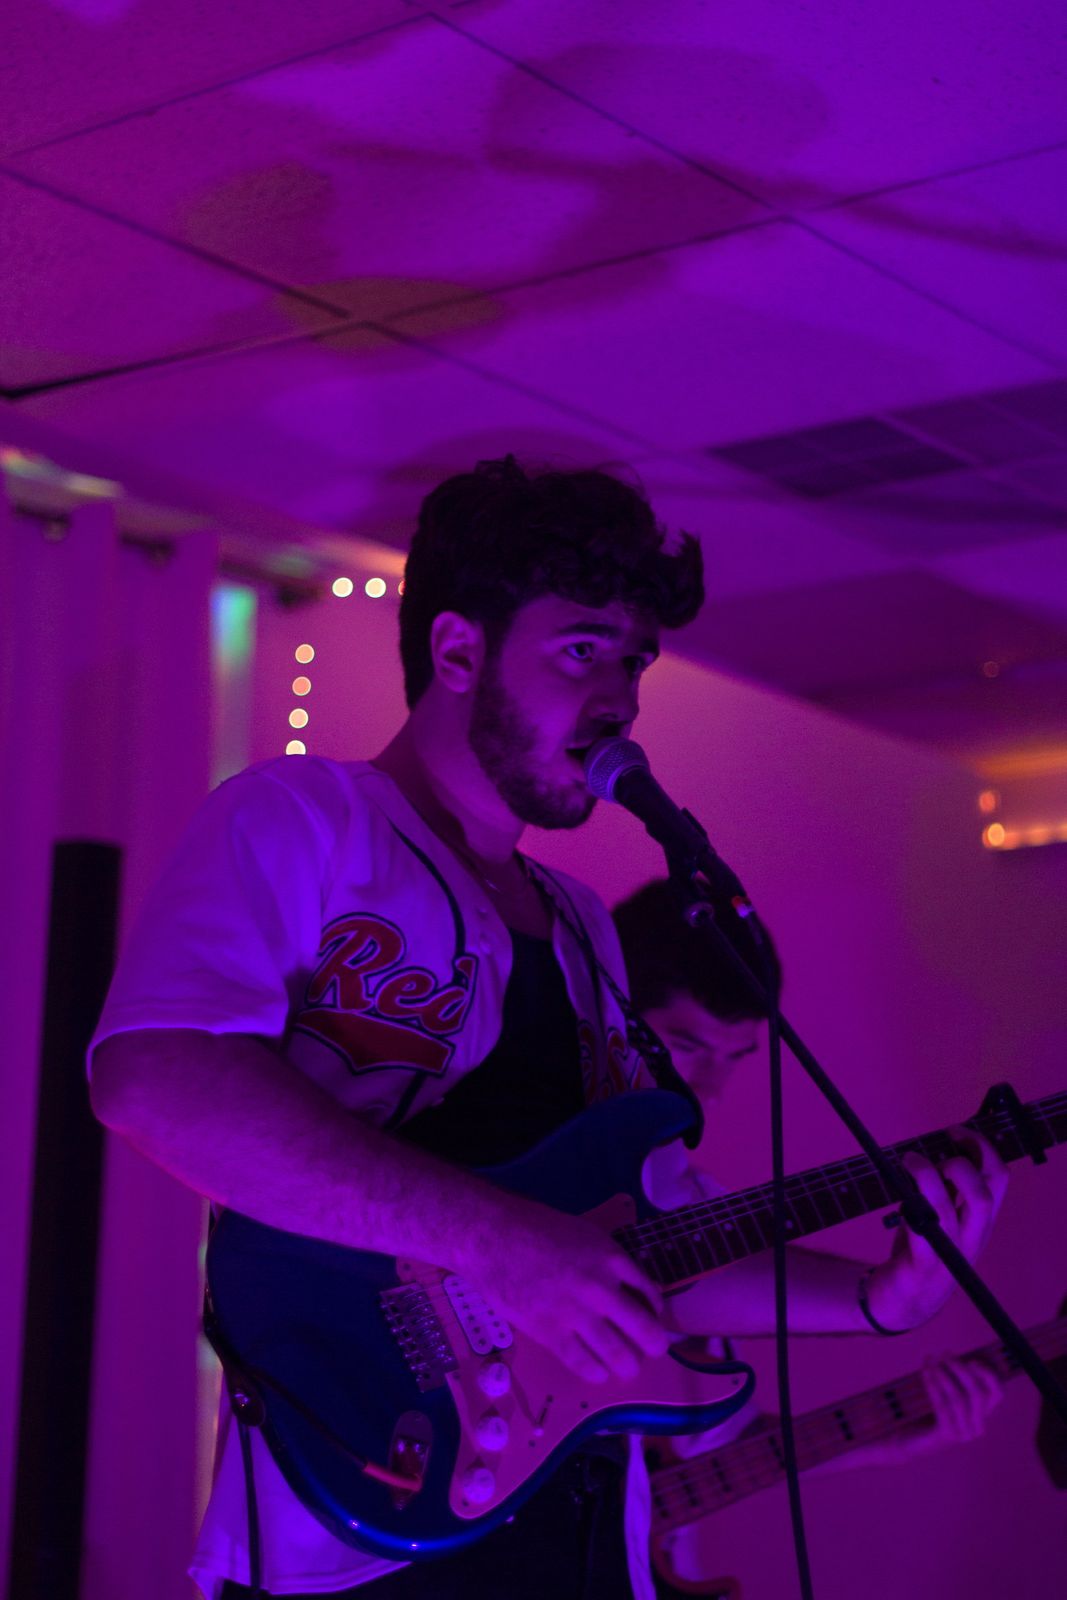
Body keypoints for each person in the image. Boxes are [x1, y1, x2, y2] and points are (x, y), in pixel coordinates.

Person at [89, 456, 1007, 1600]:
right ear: (457, 651)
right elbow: (153, 1078)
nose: (619, 697)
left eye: (634, 661)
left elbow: (635, 1244)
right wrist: (495, 1240)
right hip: (357, 1524)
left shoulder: (582, 924)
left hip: (579, 1534)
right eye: (581, 649)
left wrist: (871, 1297)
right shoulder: (302, 819)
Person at [612, 879, 1005, 1595]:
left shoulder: (694, 1207)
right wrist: (885, 1304)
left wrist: (891, 1438)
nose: (706, 1090)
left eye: (735, 1058)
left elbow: (712, 1452)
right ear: (610, 1013)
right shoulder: (523, 1186)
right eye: (684, 1046)